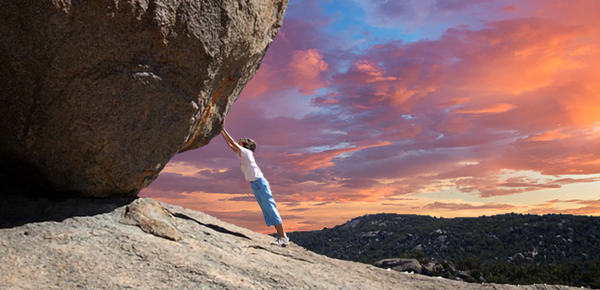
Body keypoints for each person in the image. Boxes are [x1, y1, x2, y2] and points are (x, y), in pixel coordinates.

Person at [221, 126, 289, 246]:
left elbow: (232, 144)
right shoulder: (243, 154)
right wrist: (221, 132)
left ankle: (283, 236)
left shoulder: (246, 152)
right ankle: (280, 235)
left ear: (245, 145)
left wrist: (223, 130)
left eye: (240, 142)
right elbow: (231, 146)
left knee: (270, 207)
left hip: (259, 183)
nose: (237, 143)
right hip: (256, 184)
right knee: (266, 209)